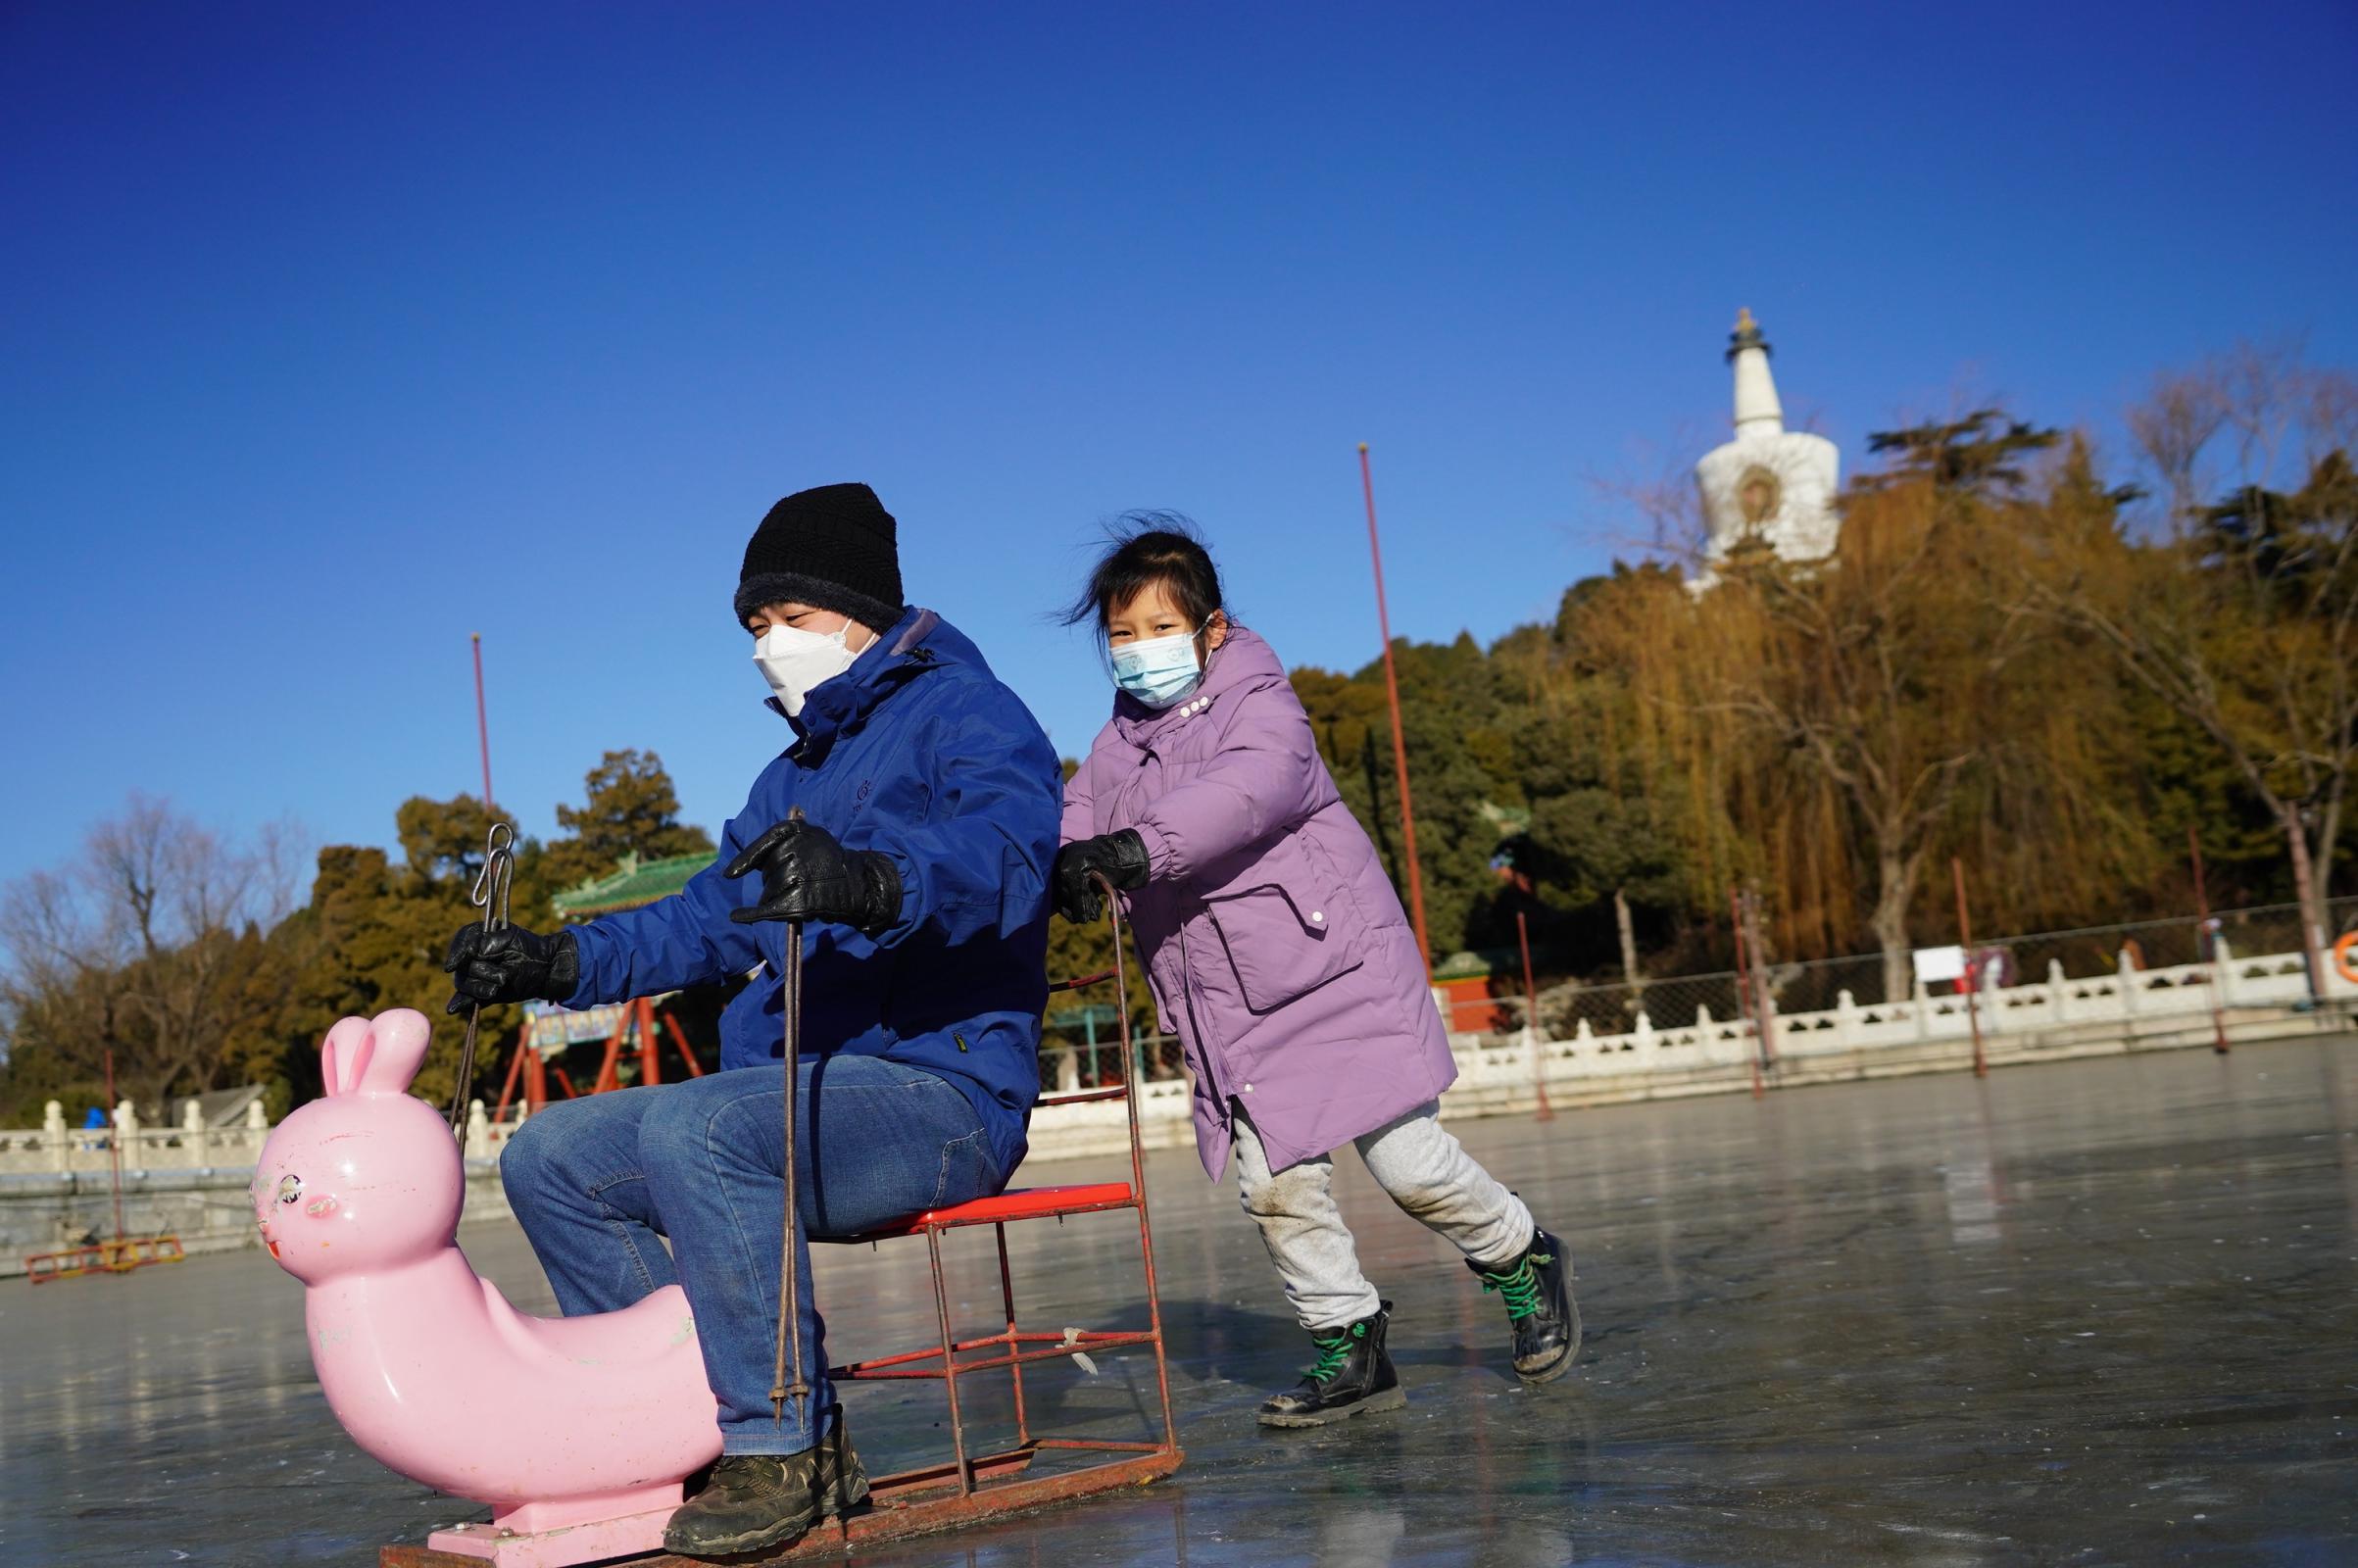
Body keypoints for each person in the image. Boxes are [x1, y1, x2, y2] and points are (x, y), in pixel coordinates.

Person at [444, 483, 1060, 1558]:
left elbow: (1012, 856)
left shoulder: (971, 712)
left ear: (862, 608)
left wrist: (873, 879)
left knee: (707, 1127)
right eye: (756, 626)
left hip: (941, 1090)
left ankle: (786, 1443)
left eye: (793, 618)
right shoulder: (790, 774)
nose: (771, 644)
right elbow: (704, 919)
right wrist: (556, 959)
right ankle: (675, 1425)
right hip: (801, 1096)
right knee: (554, 1155)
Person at [1053, 517, 1578, 1429]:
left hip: (1333, 972)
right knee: (1276, 1188)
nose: (1139, 653)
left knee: (1412, 1168)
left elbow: (1249, 789)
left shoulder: (1264, 705)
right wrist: (1064, 864)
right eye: (1121, 636)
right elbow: (1077, 815)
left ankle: (1519, 1254)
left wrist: (1140, 848)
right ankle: (1350, 1341)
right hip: (1228, 1005)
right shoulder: (1114, 747)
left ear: (1212, 630)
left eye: (1159, 629)